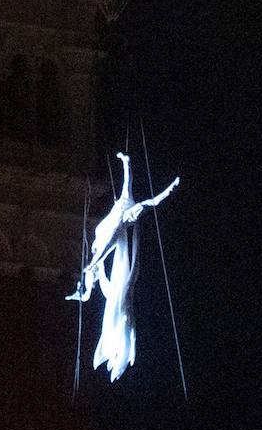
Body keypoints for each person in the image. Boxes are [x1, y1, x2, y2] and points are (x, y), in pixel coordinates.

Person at [67, 151, 179, 381]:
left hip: (107, 240)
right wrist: (126, 162)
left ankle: (86, 295)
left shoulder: (124, 217)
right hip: (107, 240)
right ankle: (84, 293)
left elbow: (151, 202)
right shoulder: (125, 206)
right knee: (96, 283)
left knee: (97, 283)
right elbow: (132, 185)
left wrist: (169, 189)